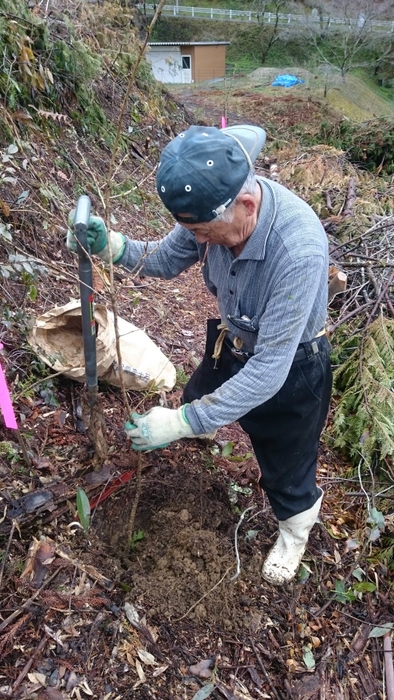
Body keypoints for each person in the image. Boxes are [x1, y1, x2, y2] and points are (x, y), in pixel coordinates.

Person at [67, 124, 332, 586]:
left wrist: (183, 420)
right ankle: (201, 426)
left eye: (206, 233)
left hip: (292, 368)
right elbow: (166, 259)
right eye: (195, 232)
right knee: (199, 392)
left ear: (246, 205)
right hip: (233, 340)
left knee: (286, 465)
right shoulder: (212, 205)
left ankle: (295, 530)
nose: (201, 243)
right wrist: (113, 246)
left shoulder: (298, 250)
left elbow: (270, 369)